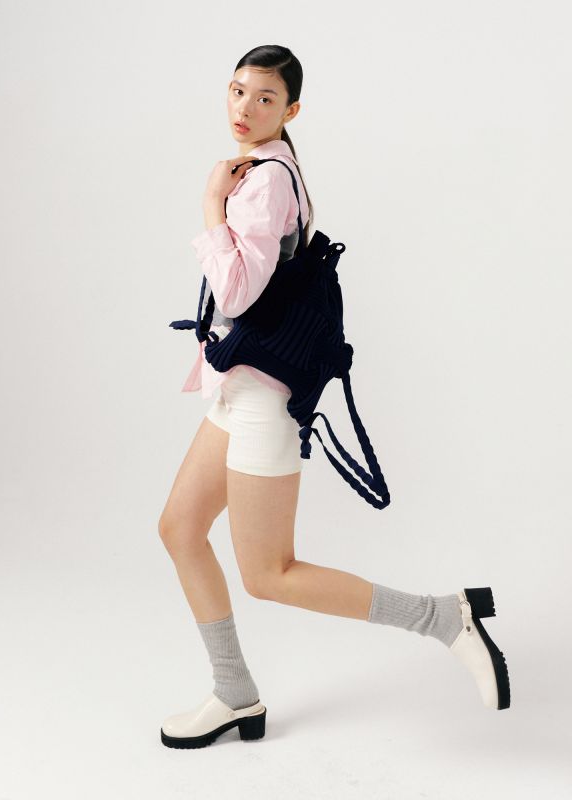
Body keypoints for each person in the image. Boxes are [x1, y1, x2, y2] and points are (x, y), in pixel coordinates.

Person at [158, 45, 510, 750]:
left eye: (264, 98)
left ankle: (445, 618)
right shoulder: (266, 167)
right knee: (180, 528)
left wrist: (209, 206)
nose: (244, 108)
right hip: (239, 382)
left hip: (262, 396)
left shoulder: (262, 182)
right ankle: (235, 693)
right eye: (237, 91)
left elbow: (236, 293)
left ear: (291, 110)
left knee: (270, 573)